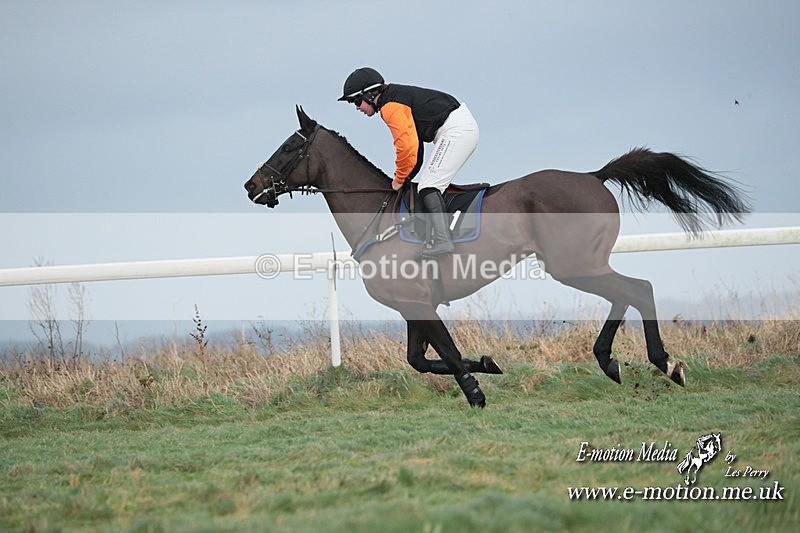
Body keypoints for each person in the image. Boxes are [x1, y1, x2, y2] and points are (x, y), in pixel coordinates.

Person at [338, 67, 479, 257]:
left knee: (429, 187)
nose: (356, 107)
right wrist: (407, 177)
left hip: (456, 131)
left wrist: (399, 178)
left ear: (370, 94)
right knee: (427, 184)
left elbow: (406, 147)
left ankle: (443, 240)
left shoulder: (390, 106)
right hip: (457, 128)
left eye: (356, 101)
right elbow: (416, 149)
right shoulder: (394, 99)